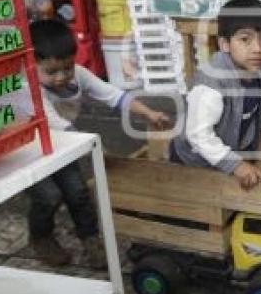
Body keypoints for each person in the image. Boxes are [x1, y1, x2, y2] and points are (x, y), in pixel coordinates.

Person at [29, 19, 171, 267]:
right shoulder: (28, 87)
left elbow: (113, 96)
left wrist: (148, 113)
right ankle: (41, 237)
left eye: (67, 67)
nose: (62, 77)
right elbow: (59, 125)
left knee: (78, 192)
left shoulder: (79, 76)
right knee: (49, 196)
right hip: (30, 151)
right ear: (30, 64)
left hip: (65, 147)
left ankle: (90, 238)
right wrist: (95, 148)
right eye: (51, 72)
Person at [170, 0, 261, 190]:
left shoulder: (257, 71)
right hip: (196, 161)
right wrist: (236, 165)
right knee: (206, 201)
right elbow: (198, 135)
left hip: (231, 147)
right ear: (224, 44)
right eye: (245, 39)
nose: (257, 49)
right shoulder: (211, 85)